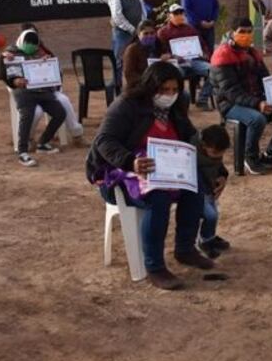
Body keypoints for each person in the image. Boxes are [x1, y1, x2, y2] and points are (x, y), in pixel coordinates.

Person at [87, 62, 211, 290]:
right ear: (151, 87)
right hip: (124, 168)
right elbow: (104, 141)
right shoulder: (127, 105)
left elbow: (188, 134)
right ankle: (154, 266)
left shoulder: (176, 106)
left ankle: (185, 248)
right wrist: (130, 162)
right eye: (164, 90)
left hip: (165, 163)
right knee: (158, 196)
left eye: (174, 90)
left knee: (195, 187)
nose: (169, 95)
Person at [210, 17, 272, 174]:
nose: (246, 35)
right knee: (256, 119)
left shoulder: (253, 54)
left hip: (255, 99)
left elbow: (265, 80)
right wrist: (257, 104)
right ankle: (250, 157)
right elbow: (230, 91)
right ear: (232, 33)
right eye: (241, 32)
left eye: (249, 32)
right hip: (230, 104)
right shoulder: (222, 56)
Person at [0, 29, 67, 167]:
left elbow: (54, 71)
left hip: (41, 90)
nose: (31, 47)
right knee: (26, 115)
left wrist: (46, 63)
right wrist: (4, 62)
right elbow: (0, 74)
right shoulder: (11, 53)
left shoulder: (40, 52)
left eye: (34, 45)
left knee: (60, 112)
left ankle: (43, 142)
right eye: (28, 43)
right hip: (23, 91)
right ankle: (22, 152)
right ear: (22, 41)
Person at [157, 4, 213, 110]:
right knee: (177, 74)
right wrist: (171, 56)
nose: (179, 16)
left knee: (214, 71)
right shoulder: (163, 32)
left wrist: (205, 53)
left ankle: (202, 99)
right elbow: (161, 51)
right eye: (176, 13)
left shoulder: (190, 29)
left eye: (181, 13)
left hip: (194, 61)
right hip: (175, 63)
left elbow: (203, 44)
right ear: (169, 15)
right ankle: (179, 102)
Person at [196, 124, 231, 258]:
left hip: (210, 190)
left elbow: (219, 167)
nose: (218, 156)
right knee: (210, 215)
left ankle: (210, 237)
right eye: (216, 153)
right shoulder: (194, 154)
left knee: (214, 214)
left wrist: (223, 175)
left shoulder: (213, 153)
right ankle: (204, 242)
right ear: (204, 145)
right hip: (199, 190)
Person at [109, 0, 145, 88]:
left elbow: (142, 12)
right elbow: (117, 17)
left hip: (137, 33)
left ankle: (136, 84)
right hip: (122, 34)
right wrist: (131, 29)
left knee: (137, 57)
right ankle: (117, 86)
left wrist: (142, 27)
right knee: (119, 61)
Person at [124, 20, 169, 91]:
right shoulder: (132, 49)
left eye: (152, 33)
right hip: (138, 86)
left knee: (184, 96)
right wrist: (148, 81)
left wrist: (167, 58)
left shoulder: (159, 45)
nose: (149, 36)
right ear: (138, 35)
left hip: (159, 84)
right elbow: (129, 74)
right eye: (145, 33)